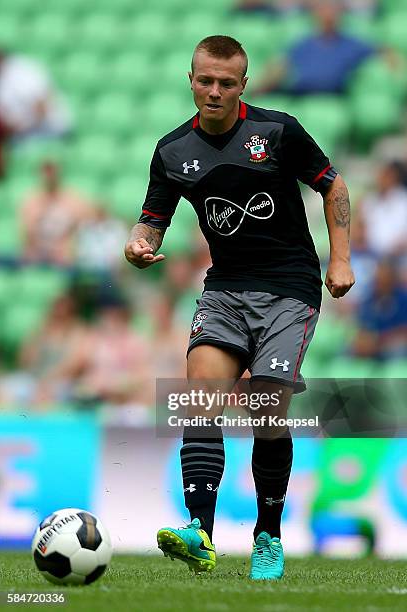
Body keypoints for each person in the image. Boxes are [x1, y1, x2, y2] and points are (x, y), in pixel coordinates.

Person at [124, 35, 354, 580]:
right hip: (224, 287)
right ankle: (199, 532)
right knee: (200, 394)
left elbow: (334, 185)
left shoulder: (278, 131)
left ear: (243, 85)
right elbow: (151, 220)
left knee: (266, 409)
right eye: (205, 80)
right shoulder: (172, 151)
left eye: (227, 82)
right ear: (191, 79)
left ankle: (268, 536)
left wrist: (340, 259)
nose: (215, 91)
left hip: (290, 286)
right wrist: (138, 246)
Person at [251, 1, 377, 96]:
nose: (328, 16)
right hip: (300, 95)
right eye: (323, 11)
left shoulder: (351, 44)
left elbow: (378, 50)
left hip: (333, 97)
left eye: (332, 11)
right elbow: (281, 64)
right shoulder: (303, 43)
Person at [20, 162, 94, 267]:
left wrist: (67, 243)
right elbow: (28, 232)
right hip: (38, 251)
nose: (49, 177)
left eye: (51, 172)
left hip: (63, 251)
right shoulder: (31, 201)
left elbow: (86, 220)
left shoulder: (72, 199)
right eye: (46, 172)